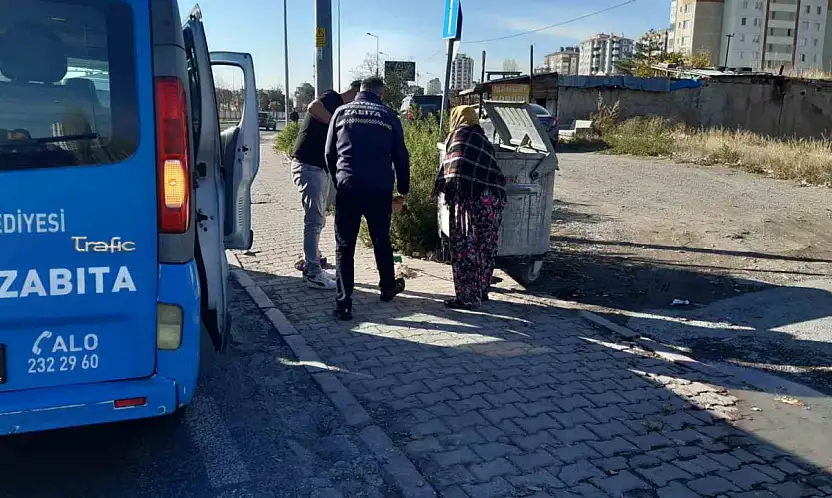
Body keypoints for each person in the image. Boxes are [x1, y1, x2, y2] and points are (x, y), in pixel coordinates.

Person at [325, 76, 410, 320]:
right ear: (380, 94)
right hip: (379, 189)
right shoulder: (388, 116)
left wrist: (338, 181)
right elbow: (401, 156)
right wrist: (403, 188)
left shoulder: (341, 112)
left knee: (345, 246)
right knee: (381, 240)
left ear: (360, 90)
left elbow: (329, 152)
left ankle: (344, 304)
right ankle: (386, 288)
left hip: (348, 186)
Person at [290, 81, 361, 289]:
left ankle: (313, 259)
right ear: (355, 93)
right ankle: (312, 273)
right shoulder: (333, 97)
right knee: (314, 220)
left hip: (317, 168)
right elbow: (313, 107)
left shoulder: (340, 109)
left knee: (317, 220)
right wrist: (335, 125)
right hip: (308, 166)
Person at [434, 105, 507, 310]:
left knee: (465, 248)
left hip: (469, 199)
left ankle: (467, 297)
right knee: (486, 248)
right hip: (492, 202)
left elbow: (452, 171)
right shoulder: (482, 137)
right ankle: (482, 291)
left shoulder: (457, 135)